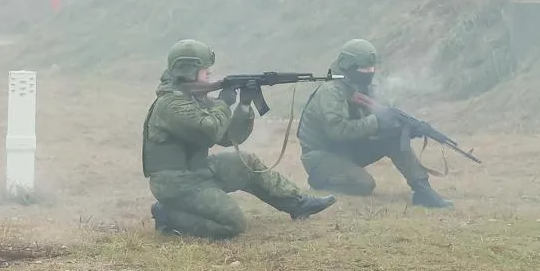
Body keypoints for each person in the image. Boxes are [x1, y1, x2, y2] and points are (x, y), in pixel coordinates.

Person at [142, 39, 336, 239]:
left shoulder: (192, 98)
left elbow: (228, 137)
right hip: (176, 184)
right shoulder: (171, 104)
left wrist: (243, 106)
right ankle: (167, 214)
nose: (209, 72)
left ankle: (298, 204)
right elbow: (209, 131)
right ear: (188, 70)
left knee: (246, 163)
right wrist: (224, 103)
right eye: (204, 69)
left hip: (197, 170)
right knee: (232, 224)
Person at [297, 38, 452, 208]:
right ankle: (322, 181)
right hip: (321, 155)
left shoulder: (358, 86)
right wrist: (376, 122)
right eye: (364, 69)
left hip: (345, 149)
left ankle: (423, 190)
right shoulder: (331, 92)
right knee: (364, 184)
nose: (369, 73)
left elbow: (381, 115)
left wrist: (407, 127)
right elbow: (338, 131)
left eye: (372, 69)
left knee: (393, 136)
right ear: (347, 66)